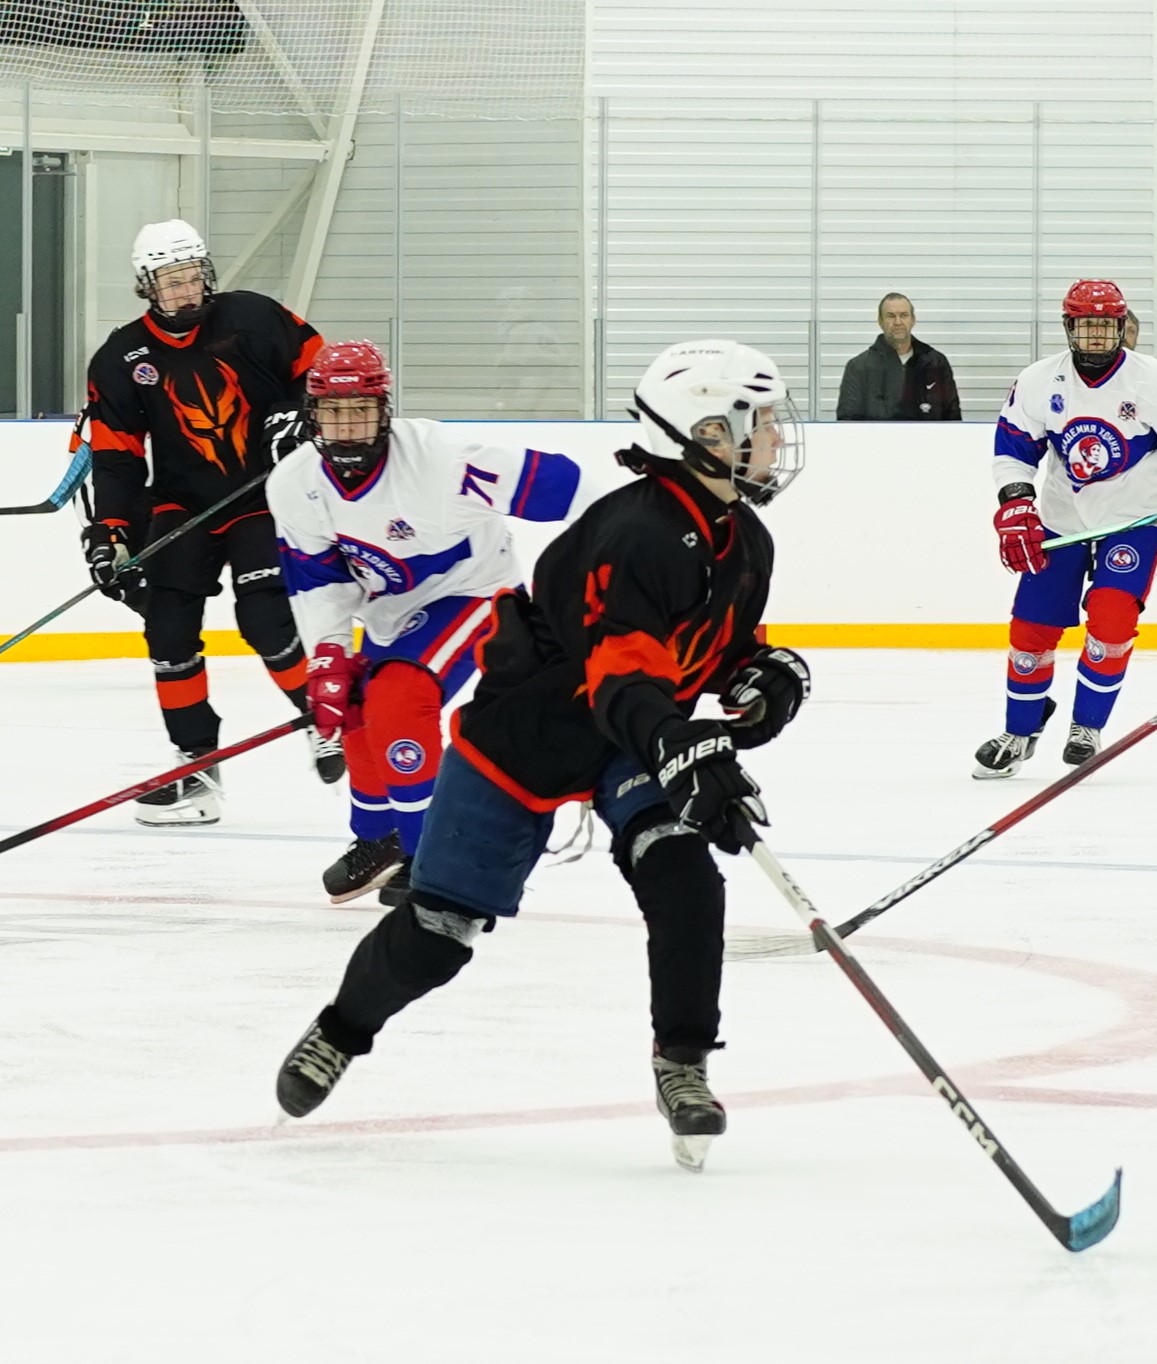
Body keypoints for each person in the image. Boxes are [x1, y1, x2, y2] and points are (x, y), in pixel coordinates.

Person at [273, 339, 810, 1173]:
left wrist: (760, 676)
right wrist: (677, 743)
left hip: (623, 735)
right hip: (525, 734)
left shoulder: (743, 539)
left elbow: (706, 648)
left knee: (682, 872)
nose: (775, 436)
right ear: (705, 433)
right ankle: (340, 1031)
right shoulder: (636, 534)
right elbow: (620, 673)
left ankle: (682, 1062)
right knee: (437, 931)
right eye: (760, 420)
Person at [268, 340, 600, 907]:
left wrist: (621, 557)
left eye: (360, 411)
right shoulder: (295, 483)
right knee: (354, 705)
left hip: (474, 590)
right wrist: (328, 653)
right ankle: (380, 838)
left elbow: (567, 486)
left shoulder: (443, 461)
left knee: (399, 698)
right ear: (312, 414)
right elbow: (319, 582)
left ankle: (435, 858)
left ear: (383, 410)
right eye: (332, 412)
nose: (346, 427)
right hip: (391, 610)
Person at [81, 218, 338, 826]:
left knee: (266, 618)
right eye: (170, 282)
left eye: (192, 277)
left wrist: (301, 413)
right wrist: (111, 531)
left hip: (263, 495)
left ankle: (328, 724)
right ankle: (196, 771)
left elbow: (323, 371)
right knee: (167, 631)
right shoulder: (121, 358)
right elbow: (117, 455)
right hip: (182, 507)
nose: (184, 291)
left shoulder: (253, 316)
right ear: (147, 287)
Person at [979, 280, 1157, 776]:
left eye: (1105, 325)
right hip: (1063, 519)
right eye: (1086, 325)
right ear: (1069, 327)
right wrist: (1016, 504)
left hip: (1134, 521)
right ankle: (1019, 730)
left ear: (1122, 327)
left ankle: (1086, 725)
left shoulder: (1154, 381)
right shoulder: (1039, 380)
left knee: (1111, 619)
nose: (1096, 335)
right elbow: (1013, 449)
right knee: (1032, 628)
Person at [835, 293, 961, 421]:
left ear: (913, 320)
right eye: (891, 316)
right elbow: (847, 422)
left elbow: (953, 418)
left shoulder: (936, 363)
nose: (898, 322)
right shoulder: (859, 367)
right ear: (880, 321)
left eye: (904, 315)